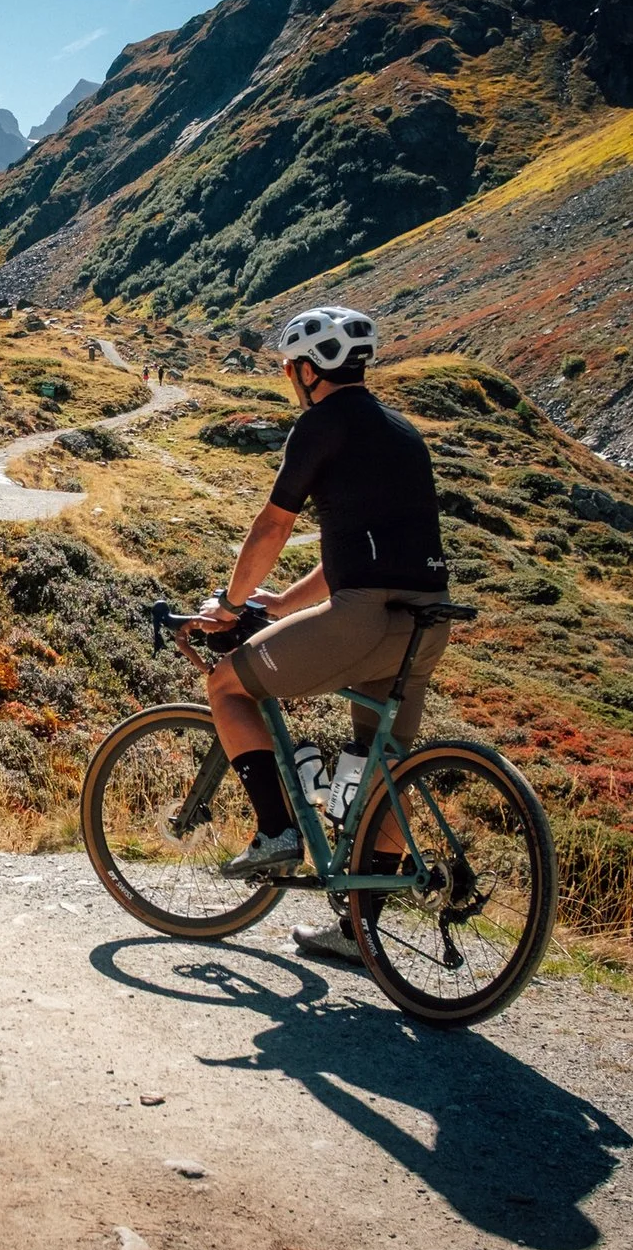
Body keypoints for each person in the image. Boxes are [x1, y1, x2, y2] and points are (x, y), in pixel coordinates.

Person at [192, 305, 453, 958]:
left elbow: (273, 526)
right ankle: (359, 935)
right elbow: (359, 551)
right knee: (384, 770)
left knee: (227, 684)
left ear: (309, 369)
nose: (288, 377)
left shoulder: (320, 424)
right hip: (425, 622)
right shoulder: (402, 432)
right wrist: (281, 606)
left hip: (360, 620)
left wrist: (232, 603)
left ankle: (277, 832)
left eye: (289, 367)